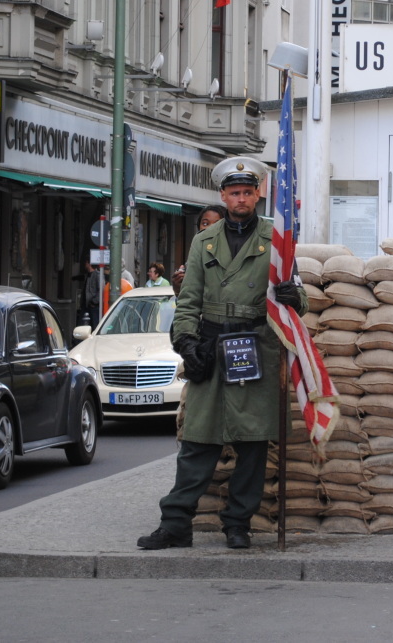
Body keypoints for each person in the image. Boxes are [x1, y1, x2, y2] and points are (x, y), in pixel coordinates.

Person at [137, 156, 306, 551]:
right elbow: (189, 299)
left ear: (258, 194)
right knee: (199, 439)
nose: (242, 198)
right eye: (235, 193)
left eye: (248, 192)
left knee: (252, 443)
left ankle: (238, 524)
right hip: (212, 346)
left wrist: (294, 297)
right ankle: (176, 523)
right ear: (223, 196)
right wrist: (186, 343)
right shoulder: (203, 240)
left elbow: (300, 296)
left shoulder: (276, 239)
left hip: (256, 345)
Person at [172, 204, 227, 296]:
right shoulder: (194, 259)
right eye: (205, 223)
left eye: (217, 224)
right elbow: (189, 303)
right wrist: (179, 289)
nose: (209, 228)